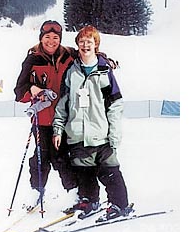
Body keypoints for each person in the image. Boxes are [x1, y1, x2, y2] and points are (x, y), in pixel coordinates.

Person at [52, 25, 133, 221]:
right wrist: (58, 129)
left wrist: (114, 133)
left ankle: (119, 205)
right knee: (84, 173)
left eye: (90, 41)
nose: (85, 44)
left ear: (96, 45)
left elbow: (115, 104)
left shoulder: (104, 71)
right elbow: (62, 104)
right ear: (77, 45)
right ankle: (90, 201)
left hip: (101, 134)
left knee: (110, 172)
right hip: (77, 135)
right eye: (82, 41)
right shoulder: (71, 72)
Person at [14, 20, 79, 211]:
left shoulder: (69, 56)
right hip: (41, 120)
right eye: (47, 37)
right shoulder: (33, 59)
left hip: (64, 118)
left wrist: (104, 59)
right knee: (41, 157)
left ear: (60, 39)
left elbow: (88, 55)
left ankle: (73, 191)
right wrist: (33, 89)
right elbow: (19, 91)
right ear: (41, 38)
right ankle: (37, 190)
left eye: (55, 38)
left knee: (61, 156)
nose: (51, 41)